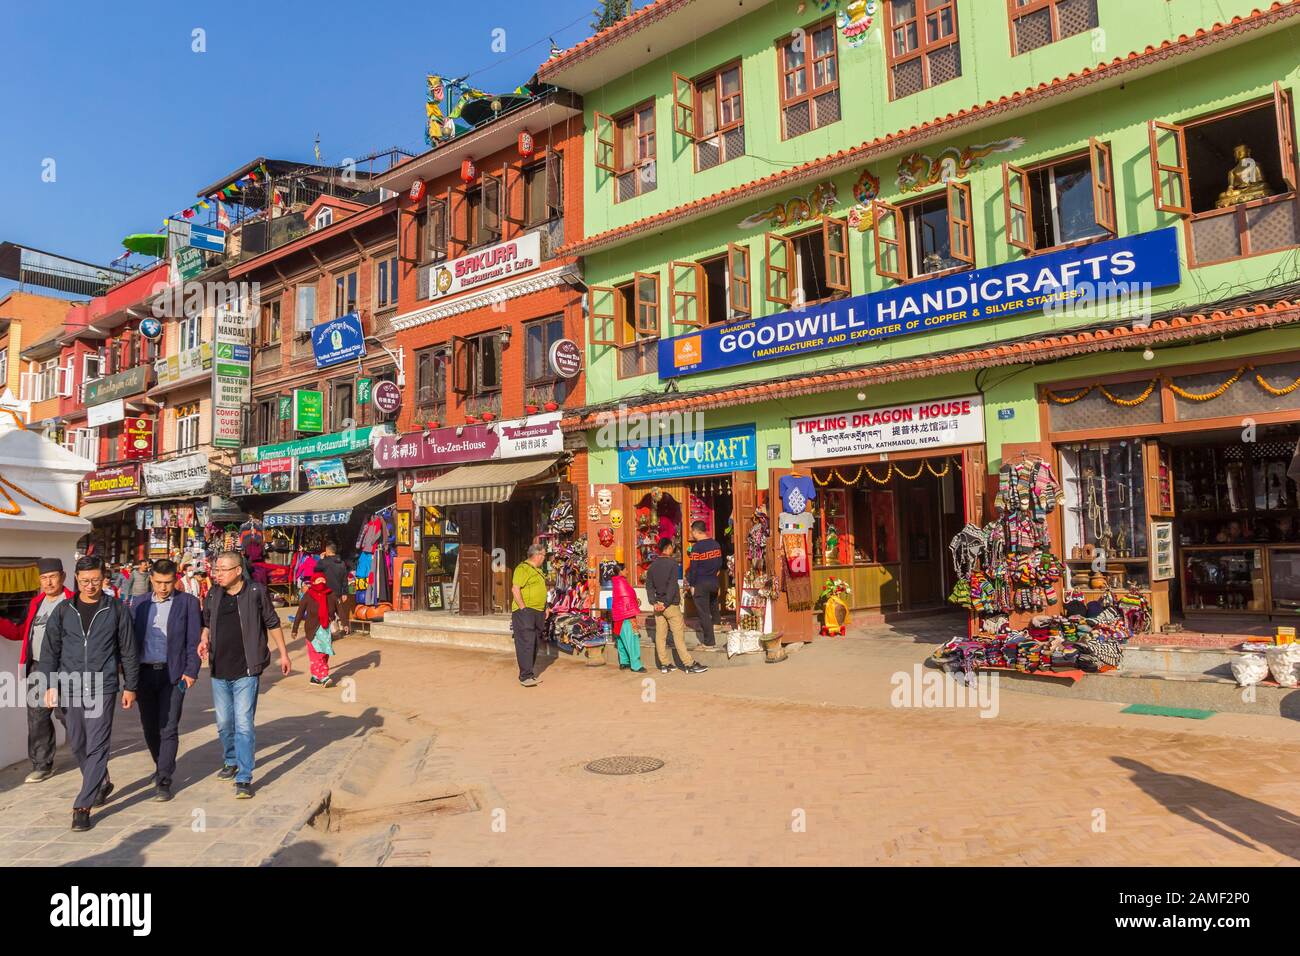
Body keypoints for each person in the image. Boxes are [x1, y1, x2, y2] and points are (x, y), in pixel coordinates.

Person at [38, 556, 137, 832]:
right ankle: (101, 783)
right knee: (78, 743)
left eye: (95, 580)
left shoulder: (116, 609)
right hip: (69, 686)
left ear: (103, 578)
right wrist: (48, 684)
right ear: (76, 580)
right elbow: (50, 651)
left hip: (101, 686)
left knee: (97, 744)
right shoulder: (63, 610)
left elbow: (128, 650)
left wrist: (131, 685)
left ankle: (82, 805)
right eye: (84, 581)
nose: (90, 585)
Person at [197, 551, 291, 799]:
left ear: (238, 571)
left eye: (223, 569)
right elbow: (206, 622)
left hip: (247, 671)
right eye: (216, 569)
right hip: (219, 670)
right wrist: (204, 639)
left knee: (243, 724)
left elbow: (272, 623)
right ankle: (231, 760)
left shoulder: (256, 592)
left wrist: (284, 654)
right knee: (224, 723)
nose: (218, 574)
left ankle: (244, 777)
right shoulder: (214, 594)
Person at [129, 558, 202, 802]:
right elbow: (130, 642)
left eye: (168, 582)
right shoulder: (138, 604)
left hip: (174, 674)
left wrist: (191, 671)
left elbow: (193, 642)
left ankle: (164, 779)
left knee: (169, 726)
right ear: (151, 579)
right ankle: (161, 764)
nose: (163, 588)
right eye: (159, 582)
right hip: (144, 673)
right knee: (150, 727)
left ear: (175, 580)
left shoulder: (188, 603)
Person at [0, 558, 74, 783]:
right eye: (43, 578)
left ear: (62, 577)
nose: (48, 582)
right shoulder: (36, 603)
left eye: (52, 577)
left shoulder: (73, 602)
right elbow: (21, 632)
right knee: (37, 718)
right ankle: (42, 765)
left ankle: (90, 754)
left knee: (70, 714)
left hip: (65, 668)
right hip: (38, 667)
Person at [645, 538, 708, 675]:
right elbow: (672, 586)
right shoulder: (672, 564)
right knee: (678, 637)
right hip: (670, 605)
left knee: (660, 636)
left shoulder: (652, 566)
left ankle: (664, 664)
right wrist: (666, 603)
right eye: (671, 547)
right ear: (667, 548)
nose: (672, 549)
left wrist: (654, 602)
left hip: (658, 606)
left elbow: (649, 587)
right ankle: (689, 664)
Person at [510, 543, 549, 687]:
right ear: (537, 555)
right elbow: (515, 589)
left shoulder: (537, 571)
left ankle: (529, 673)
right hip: (526, 612)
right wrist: (523, 608)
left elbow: (541, 591)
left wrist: (545, 607)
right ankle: (525, 676)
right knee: (526, 642)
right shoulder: (522, 568)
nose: (544, 558)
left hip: (538, 611)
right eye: (544, 555)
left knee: (535, 642)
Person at [292, 571, 339, 687]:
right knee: (317, 654)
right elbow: (299, 613)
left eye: (323, 581)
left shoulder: (331, 594)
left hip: (326, 630)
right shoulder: (308, 595)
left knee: (324, 653)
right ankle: (323, 676)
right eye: (318, 581)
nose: (321, 583)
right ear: (313, 582)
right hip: (312, 630)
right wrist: (295, 629)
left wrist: (346, 623)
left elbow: (340, 608)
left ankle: (315, 677)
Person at [685, 520, 724, 648]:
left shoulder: (697, 547)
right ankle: (717, 624)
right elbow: (719, 563)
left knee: (703, 613)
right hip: (713, 581)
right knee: (713, 602)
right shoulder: (716, 544)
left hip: (701, 583)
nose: (692, 534)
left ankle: (709, 642)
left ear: (696, 532)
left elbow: (694, 568)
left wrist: (692, 585)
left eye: (692, 532)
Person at [609, 562, 646, 674]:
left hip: (618, 615)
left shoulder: (616, 582)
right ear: (620, 571)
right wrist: (635, 603)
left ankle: (624, 662)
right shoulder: (621, 582)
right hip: (626, 615)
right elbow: (627, 598)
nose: (627, 571)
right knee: (632, 639)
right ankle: (636, 665)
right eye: (626, 570)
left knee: (621, 639)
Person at [314, 541, 351, 635]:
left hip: (326, 592)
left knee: (327, 612)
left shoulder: (325, 562)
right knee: (338, 610)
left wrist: (321, 559)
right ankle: (340, 627)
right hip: (338, 592)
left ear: (327, 551)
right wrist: (345, 593)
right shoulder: (342, 563)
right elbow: (344, 579)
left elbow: (316, 570)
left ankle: (330, 631)